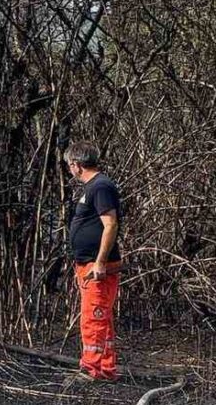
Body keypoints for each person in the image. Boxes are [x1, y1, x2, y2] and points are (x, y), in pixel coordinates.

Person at [65, 141, 122, 381]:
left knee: (94, 316)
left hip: (96, 266)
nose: (70, 170)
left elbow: (110, 224)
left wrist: (99, 261)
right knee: (102, 317)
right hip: (88, 264)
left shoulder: (100, 187)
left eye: (69, 166)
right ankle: (106, 368)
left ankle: (91, 369)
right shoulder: (94, 187)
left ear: (76, 165)